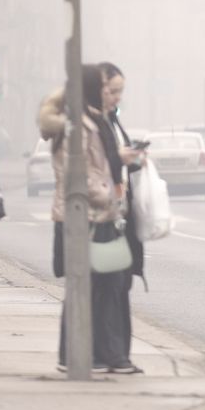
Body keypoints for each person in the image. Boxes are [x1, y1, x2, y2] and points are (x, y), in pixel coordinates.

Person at [39, 65, 139, 374]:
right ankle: (81, 354)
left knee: (100, 285)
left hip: (98, 214)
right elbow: (79, 175)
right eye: (105, 87)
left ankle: (96, 353)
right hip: (87, 216)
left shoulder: (89, 121)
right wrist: (111, 194)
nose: (109, 94)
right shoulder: (78, 125)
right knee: (89, 285)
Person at [98, 61, 146, 365]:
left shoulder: (111, 120)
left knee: (118, 284)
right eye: (113, 91)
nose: (117, 98)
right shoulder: (93, 123)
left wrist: (132, 159)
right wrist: (120, 159)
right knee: (108, 287)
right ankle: (111, 355)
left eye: (121, 92)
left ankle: (116, 354)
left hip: (118, 214)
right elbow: (95, 168)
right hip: (103, 215)